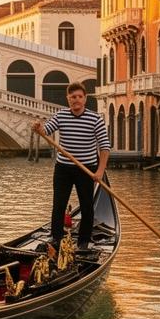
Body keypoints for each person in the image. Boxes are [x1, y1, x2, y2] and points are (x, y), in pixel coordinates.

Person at [33, 82, 110, 256]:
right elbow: (46, 130)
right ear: (68, 98)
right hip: (64, 168)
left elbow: (105, 147)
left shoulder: (95, 119)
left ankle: (84, 242)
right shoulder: (61, 115)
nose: (76, 100)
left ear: (85, 99)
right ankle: (56, 238)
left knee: (87, 205)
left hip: (86, 168)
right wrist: (39, 128)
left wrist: (99, 171)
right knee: (59, 204)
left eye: (79, 97)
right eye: (72, 97)